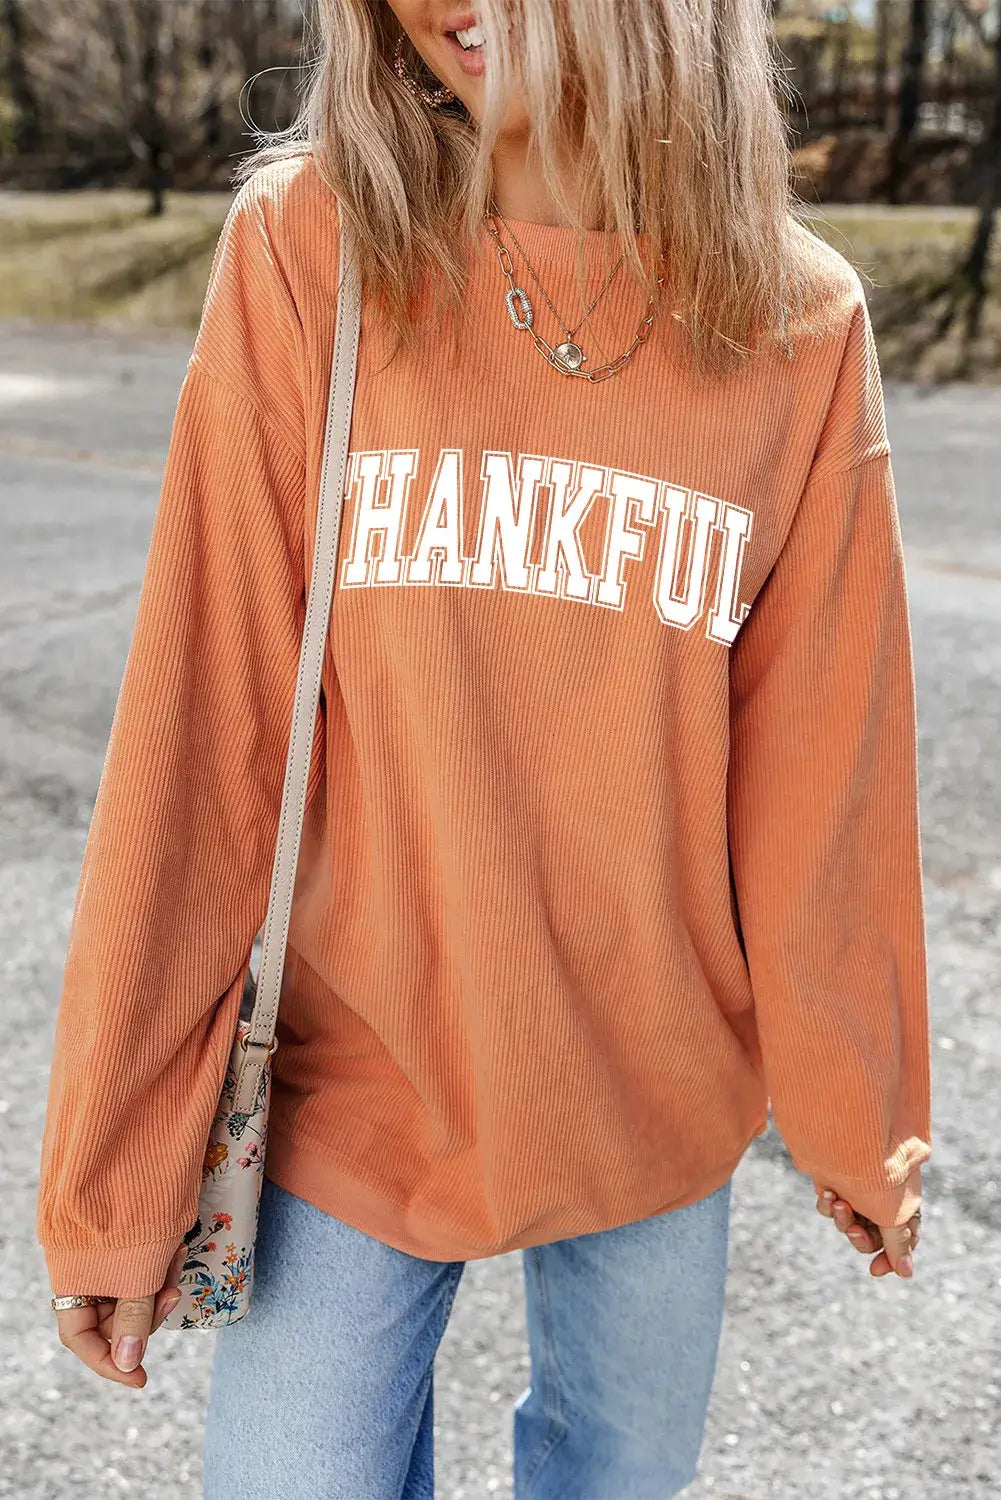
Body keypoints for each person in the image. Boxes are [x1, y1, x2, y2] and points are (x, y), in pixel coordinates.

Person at [36, 1, 931, 1495]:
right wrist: (114, 1169)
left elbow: (822, 775)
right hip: (356, 1086)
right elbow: (203, 734)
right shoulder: (311, 252)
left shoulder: (794, 319)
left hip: (652, 1097)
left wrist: (863, 1119)